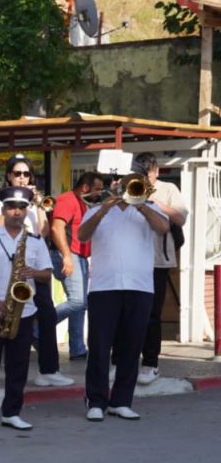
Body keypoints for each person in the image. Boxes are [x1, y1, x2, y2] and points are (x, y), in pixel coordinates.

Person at [78, 169, 170, 421]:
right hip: (103, 287)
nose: (127, 189)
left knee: (131, 346)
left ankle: (121, 401)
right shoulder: (97, 210)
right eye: (125, 185)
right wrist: (103, 209)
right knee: (99, 346)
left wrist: (140, 205)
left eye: (133, 185)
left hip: (139, 286)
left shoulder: (148, 208)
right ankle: (96, 401)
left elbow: (163, 227)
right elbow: (81, 235)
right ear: (115, 186)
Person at [0, 186, 53, 433]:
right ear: (4, 210)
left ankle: (12, 412)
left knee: (19, 366)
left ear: (27, 210)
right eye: (11, 207)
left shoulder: (36, 242)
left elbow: (47, 275)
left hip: (24, 312)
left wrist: (33, 273)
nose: (16, 212)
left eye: (21, 208)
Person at [0, 154, 71, 388]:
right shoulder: (1, 198)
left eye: (26, 174)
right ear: (9, 176)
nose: (22, 178)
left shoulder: (35, 200)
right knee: (8, 316)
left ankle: (49, 370)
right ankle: (4, 369)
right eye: (18, 173)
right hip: (11, 262)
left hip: (35, 261)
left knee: (47, 315)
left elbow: (44, 232)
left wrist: (38, 206)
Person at [132, 153, 189, 385]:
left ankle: (150, 363)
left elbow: (181, 218)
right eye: (142, 170)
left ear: (156, 171)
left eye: (150, 170)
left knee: (152, 315)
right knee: (129, 313)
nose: (147, 174)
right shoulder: (129, 185)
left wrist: (156, 204)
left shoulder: (168, 189)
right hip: (132, 260)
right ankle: (122, 361)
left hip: (157, 261)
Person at [49, 171, 104, 364]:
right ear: (86, 188)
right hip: (68, 254)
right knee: (78, 302)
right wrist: (66, 256)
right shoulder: (68, 199)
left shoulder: (82, 203)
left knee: (79, 307)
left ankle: (78, 349)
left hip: (77, 256)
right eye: (97, 189)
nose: (100, 193)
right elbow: (56, 228)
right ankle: (39, 326)